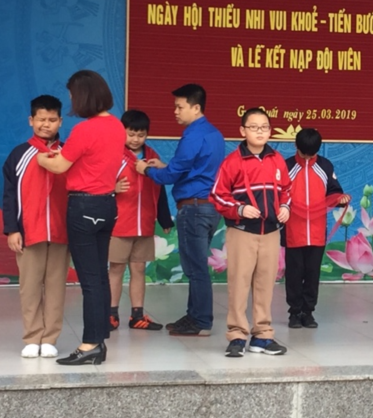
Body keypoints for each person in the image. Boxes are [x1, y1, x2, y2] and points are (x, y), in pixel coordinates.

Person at [37, 70, 125, 366]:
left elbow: (59, 165)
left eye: (73, 95)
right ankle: (100, 339)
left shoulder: (85, 130)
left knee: (89, 280)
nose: (72, 100)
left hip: (83, 206)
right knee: (100, 275)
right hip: (107, 205)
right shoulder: (117, 126)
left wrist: (40, 158)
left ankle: (89, 344)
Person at [136, 84, 225, 337]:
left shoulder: (192, 135)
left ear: (196, 108)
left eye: (179, 107)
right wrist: (165, 166)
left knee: (195, 268)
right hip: (209, 207)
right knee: (197, 266)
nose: (175, 111)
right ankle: (194, 316)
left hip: (193, 208)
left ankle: (201, 321)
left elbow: (172, 175)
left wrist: (147, 170)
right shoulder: (214, 134)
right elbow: (194, 170)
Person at [210, 108, 291, 358]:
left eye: (264, 127)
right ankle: (236, 335)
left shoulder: (277, 159)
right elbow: (217, 196)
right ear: (243, 131)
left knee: (265, 284)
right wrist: (240, 209)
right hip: (242, 232)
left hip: (271, 233)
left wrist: (285, 207)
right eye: (254, 127)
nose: (260, 132)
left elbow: (286, 190)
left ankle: (262, 336)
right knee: (239, 283)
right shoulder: (232, 162)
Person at [2, 95, 69, 357]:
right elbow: (9, 195)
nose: (46, 124)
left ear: (60, 121)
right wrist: (12, 229)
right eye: (41, 119)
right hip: (29, 232)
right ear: (31, 120)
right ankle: (32, 337)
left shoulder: (69, 153)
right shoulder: (19, 154)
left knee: (56, 287)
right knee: (29, 287)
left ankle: (50, 338)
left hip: (62, 233)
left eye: (52, 119)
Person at [109, 110, 174, 332]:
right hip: (119, 224)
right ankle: (111, 314)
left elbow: (160, 188)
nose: (136, 139)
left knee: (138, 269)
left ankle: (137, 316)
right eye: (131, 134)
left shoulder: (152, 156)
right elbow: (97, 183)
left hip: (144, 224)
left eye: (141, 134)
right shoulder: (113, 154)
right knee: (116, 268)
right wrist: (112, 188)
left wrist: (164, 218)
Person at [283, 127, 349, 329]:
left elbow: (334, 191)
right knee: (294, 273)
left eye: (312, 154)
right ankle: (294, 313)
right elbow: (279, 193)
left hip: (317, 231)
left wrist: (340, 199)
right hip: (293, 230)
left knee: (312, 273)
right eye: (304, 153)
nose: (308, 157)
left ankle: (308, 312)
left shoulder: (325, 166)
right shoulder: (286, 166)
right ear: (295, 146)